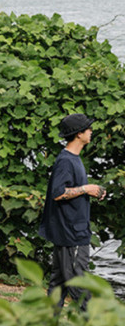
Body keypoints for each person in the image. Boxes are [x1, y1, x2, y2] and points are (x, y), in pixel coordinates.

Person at [38, 112, 107, 311]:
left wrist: (93, 191)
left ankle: (50, 324)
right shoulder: (66, 161)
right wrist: (86, 189)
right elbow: (58, 193)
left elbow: (70, 190)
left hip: (71, 230)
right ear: (79, 134)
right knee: (78, 282)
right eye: (88, 128)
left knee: (59, 282)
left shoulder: (72, 159)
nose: (91, 131)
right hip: (71, 234)